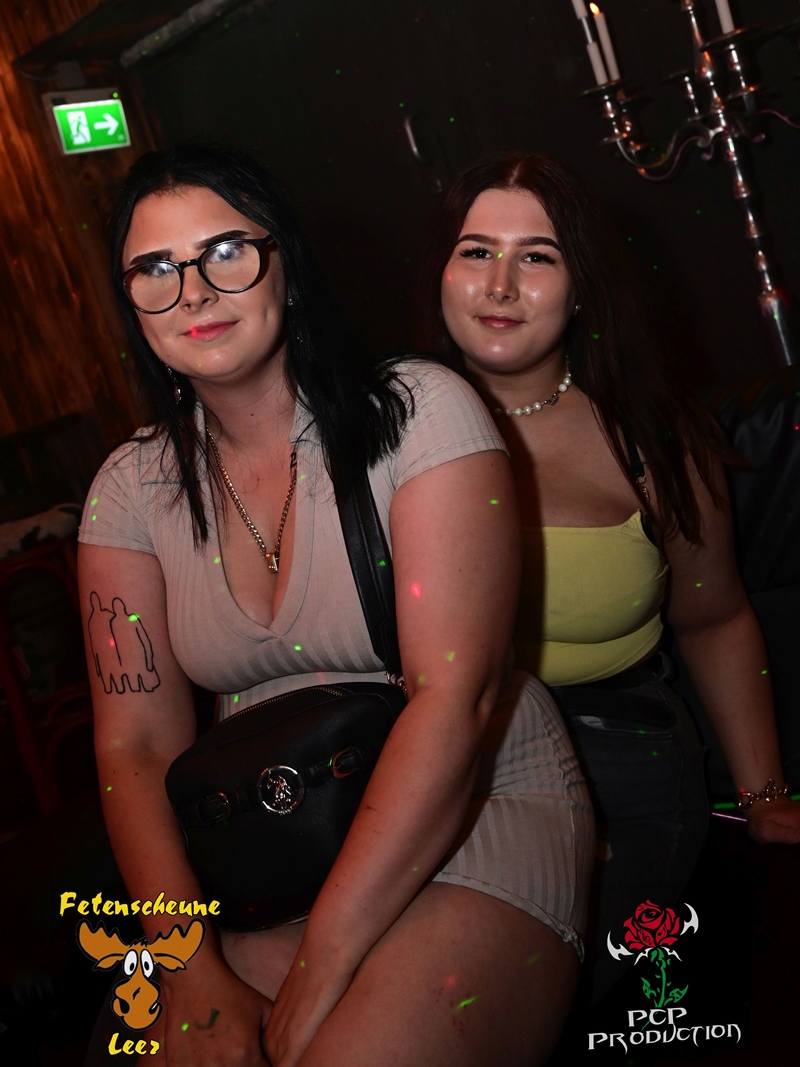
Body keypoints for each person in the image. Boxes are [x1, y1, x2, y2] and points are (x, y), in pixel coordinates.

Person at [77, 143, 594, 1067]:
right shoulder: (129, 488)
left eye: (226, 252)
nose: (193, 292)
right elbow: (135, 746)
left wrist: (320, 970)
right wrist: (186, 966)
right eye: (155, 269)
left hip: (471, 808)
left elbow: (455, 699)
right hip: (271, 839)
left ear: (288, 264)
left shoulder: (422, 412)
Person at [422, 151, 800, 999]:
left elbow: (715, 619)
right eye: (476, 251)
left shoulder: (651, 443)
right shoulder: (382, 434)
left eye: (538, 256)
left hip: (617, 767)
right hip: (439, 773)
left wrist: (765, 794)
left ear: (582, 287)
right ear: (441, 273)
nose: (500, 284)